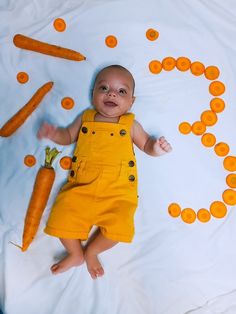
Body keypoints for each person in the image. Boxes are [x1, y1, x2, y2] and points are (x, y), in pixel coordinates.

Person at [37, 64, 172, 279]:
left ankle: (92, 250)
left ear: (131, 101)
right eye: (104, 88)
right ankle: (75, 253)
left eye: (121, 91)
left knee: (119, 229)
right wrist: (54, 134)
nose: (111, 93)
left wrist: (156, 148)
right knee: (61, 218)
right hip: (80, 189)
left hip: (117, 193)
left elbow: (146, 144)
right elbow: (67, 136)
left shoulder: (130, 124)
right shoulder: (86, 118)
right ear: (93, 94)